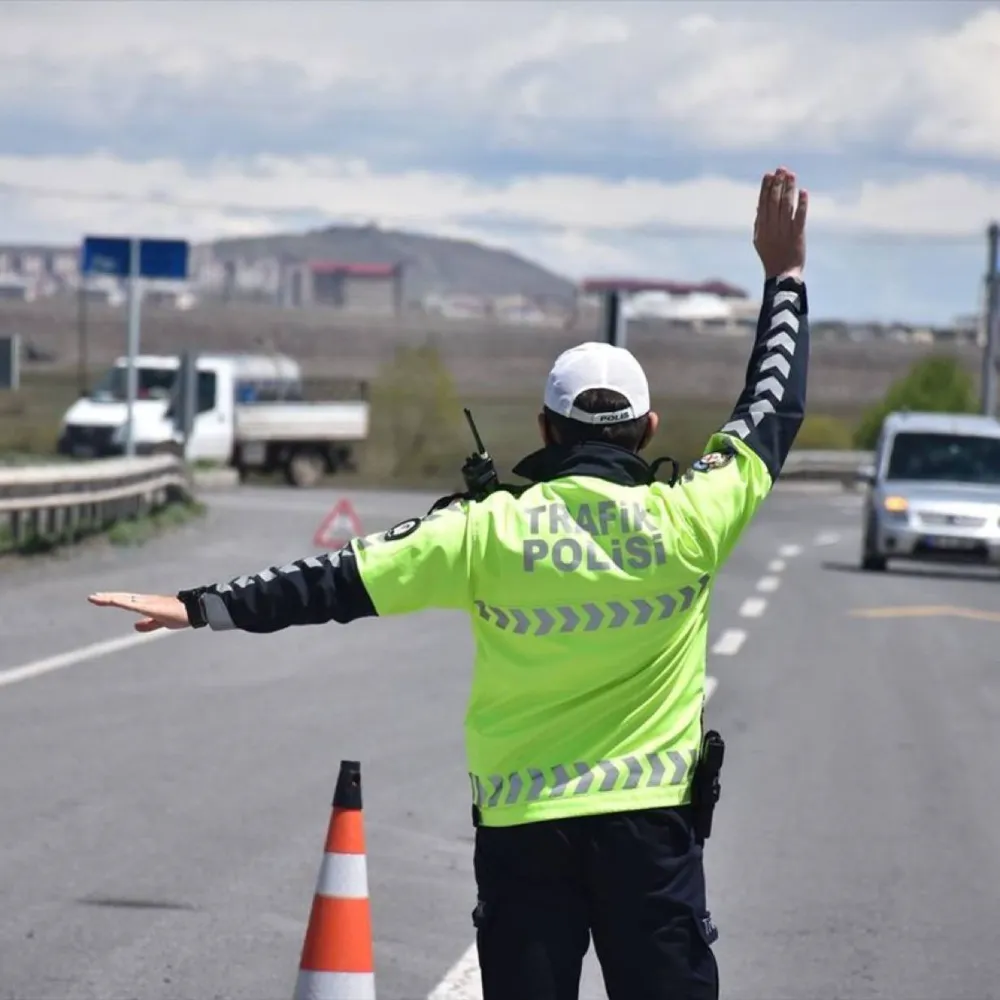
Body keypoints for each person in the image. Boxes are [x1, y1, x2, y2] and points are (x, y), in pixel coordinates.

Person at [88, 166, 810, 1000]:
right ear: (648, 429)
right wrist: (784, 277)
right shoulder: (693, 517)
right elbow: (771, 407)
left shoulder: (482, 531)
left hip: (524, 835)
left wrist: (201, 605)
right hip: (652, 837)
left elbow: (334, 581)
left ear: (544, 429)